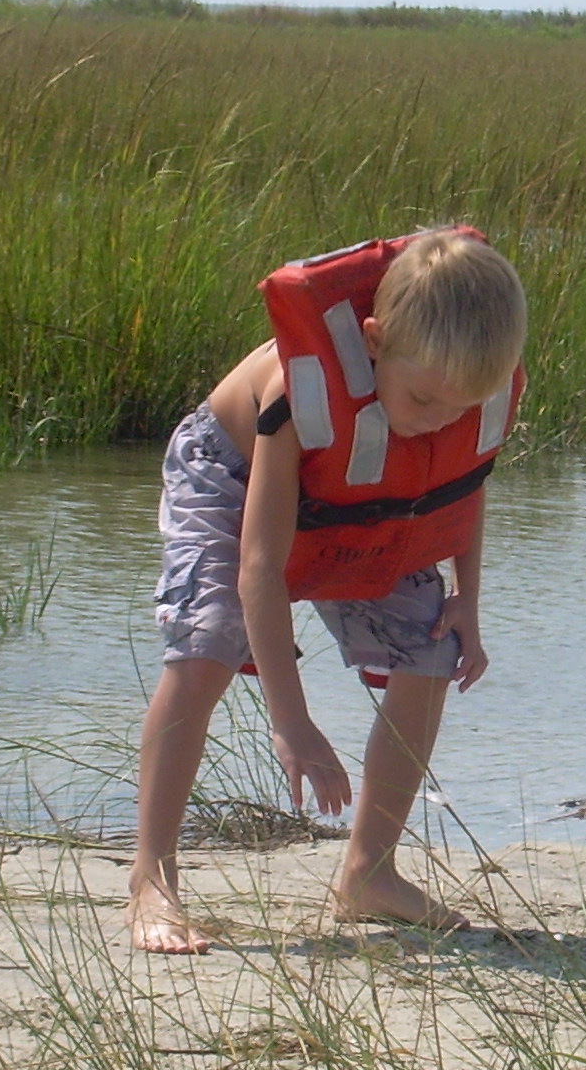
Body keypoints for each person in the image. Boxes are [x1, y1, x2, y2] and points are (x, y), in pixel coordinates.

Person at [126, 227, 526, 953]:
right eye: (424, 399)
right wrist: (292, 721)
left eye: (459, 408)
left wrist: (467, 599)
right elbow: (261, 566)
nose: (438, 419)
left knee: (430, 647)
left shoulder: (451, 398)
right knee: (206, 646)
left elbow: (459, 482)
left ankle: (370, 873)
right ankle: (152, 878)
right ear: (374, 342)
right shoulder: (296, 393)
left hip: (360, 497)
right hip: (232, 478)